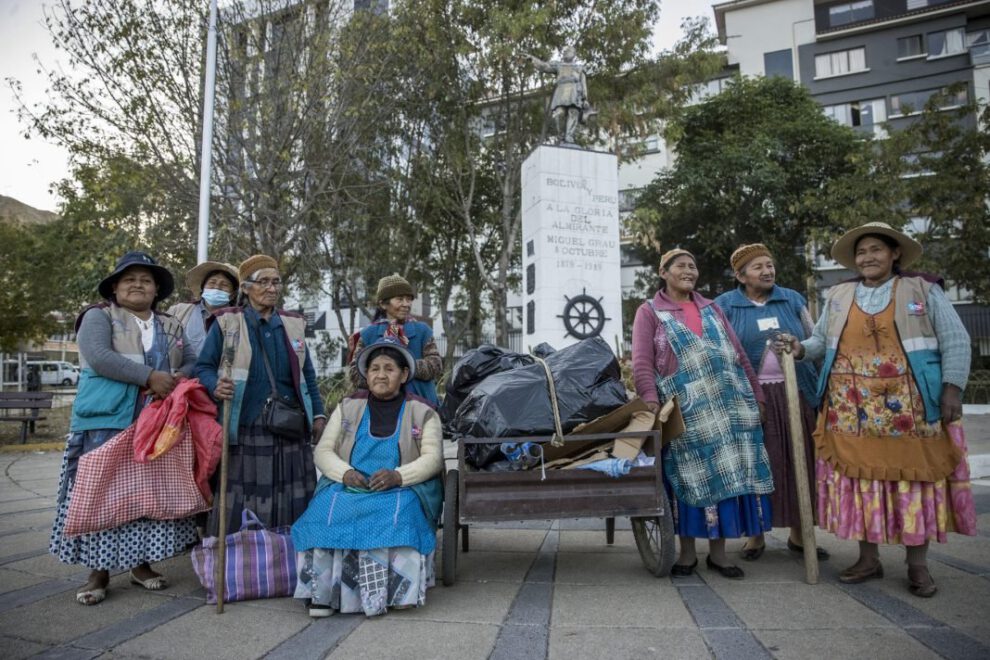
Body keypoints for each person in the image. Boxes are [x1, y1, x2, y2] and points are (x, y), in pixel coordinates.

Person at [776, 222, 975, 597]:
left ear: (895, 253)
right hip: (850, 412)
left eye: (876, 250)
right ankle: (868, 560)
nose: (867, 258)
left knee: (914, 482)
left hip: (911, 410)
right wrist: (798, 348)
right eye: (861, 252)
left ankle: (917, 566)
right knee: (860, 483)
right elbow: (820, 341)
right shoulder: (838, 294)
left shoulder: (922, 289)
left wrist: (952, 389)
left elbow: (955, 339)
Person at [49, 251, 198, 605]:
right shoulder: (99, 317)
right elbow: (100, 357)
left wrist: (180, 377)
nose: (137, 285)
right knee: (102, 496)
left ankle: (139, 565)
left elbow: (192, 359)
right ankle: (98, 573)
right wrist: (149, 376)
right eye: (129, 279)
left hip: (156, 424)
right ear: (114, 287)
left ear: (156, 289)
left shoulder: (170, 325)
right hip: (106, 421)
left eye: (146, 280)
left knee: (144, 494)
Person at [632, 248, 774, 579]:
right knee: (687, 477)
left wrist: (758, 397)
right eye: (680, 265)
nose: (688, 270)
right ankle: (686, 554)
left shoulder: (711, 308)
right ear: (663, 272)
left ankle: (720, 555)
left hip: (729, 407)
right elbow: (642, 361)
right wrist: (650, 401)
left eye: (693, 265)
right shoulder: (650, 311)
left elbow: (738, 354)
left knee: (727, 476)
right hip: (686, 412)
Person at [292, 336, 443, 617]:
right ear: (366, 374)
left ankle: (392, 595)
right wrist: (345, 472)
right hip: (350, 486)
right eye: (375, 369)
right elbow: (323, 451)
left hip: (400, 488)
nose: (381, 375)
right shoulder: (348, 407)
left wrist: (398, 476)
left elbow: (432, 460)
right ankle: (323, 594)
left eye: (389, 368)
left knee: (400, 513)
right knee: (323, 511)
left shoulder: (423, 412)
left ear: (404, 375)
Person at [195, 254, 326, 536]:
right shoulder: (227, 322)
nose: (271, 288)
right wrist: (214, 384)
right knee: (243, 493)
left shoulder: (293, 324)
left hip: (289, 424)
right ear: (245, 287)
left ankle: (288, 560)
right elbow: (203, 367)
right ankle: (242, 564)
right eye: (263, 281)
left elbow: (308, 375)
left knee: (293, 496)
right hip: (244, 425)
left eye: (276, 282)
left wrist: (318, 415)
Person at [714, 244, 828, 562]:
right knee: (758, 464)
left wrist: (821, 391)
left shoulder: (791, 299)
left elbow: (814, 341)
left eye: (770, 265)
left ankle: (800, 534)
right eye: (758, 267)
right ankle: (755, 535)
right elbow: (722, 352)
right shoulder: (726, 306)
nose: (767, 271)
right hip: (754, 401)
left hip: (796, 395)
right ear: (740, 275)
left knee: (799, 462)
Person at [348, 274, 442, 408]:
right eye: (400, 299)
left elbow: (436, 366)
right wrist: (384, 374)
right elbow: (355, 374)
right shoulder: (368, 335)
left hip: (422, 406)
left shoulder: (423, 331)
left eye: (409, 299)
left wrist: (404, 367)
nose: (406, 304)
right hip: (381, 410)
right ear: (383, 304)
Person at [167, 261, 239, 356]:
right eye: (212, 283)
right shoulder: (179, 311)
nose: (217, 287)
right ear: (203, 288)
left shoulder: (240, 319)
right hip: (183, 370)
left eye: (224, 285)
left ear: (233, 294)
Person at [524, 45, 591, 143]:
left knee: (573, 113)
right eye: (565, 51)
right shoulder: (558, 65)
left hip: (575, 92)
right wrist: (532, 59)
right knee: (559, 113)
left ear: (574, 54)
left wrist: (585, 98)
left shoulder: (579, 68)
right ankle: (560, 135)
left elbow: (583, 83)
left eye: (569, 51)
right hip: (561, 92)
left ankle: (569, 136)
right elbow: (544, 66)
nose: (566, 53)